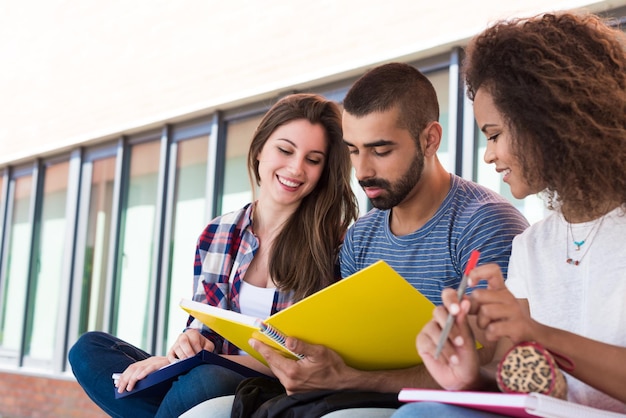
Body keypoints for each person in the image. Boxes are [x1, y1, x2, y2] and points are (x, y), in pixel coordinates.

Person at [249, 63, 529, 412]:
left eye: (381, 151)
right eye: (353, 150)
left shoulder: (485, 224)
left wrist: (351, 378)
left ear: (429, 140)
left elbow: (488, 365)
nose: (363, 171)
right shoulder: (360, 237)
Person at [68, 93, 359, 418]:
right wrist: (188, 342)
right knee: (89, 349)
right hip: (206, 371)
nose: (296, 167)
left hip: (273, 384)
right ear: (260, 148)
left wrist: (200, 363)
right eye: (286, 150)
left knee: (205, 379)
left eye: (313, 159)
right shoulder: (218, 233)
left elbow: (304, 358)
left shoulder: (334, 245)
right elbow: (206, 325)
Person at [394, 12, 626, 417]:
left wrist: (539, 333)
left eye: (495, 135)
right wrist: (467, 374)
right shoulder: (533, 245)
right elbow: (523, 379)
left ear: (549, 120)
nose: (489, 155)